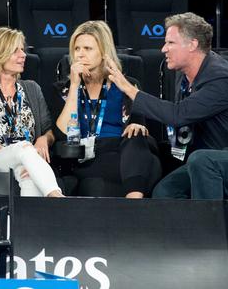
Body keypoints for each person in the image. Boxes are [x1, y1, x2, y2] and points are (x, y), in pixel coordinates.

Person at [106, 12, 228, 248]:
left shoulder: (220, 77)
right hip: (211, 161)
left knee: (202, 160)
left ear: (192, 45)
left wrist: (128, 88)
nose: (163, 49)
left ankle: (211, 245)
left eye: (170, 42)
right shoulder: (186, 78)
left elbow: (178, 115)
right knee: (165, 193)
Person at [54, 21, 160, 198]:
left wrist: (136, 127)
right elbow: (63, 135)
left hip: (123, 155)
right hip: (85, 159)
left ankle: (133, 201)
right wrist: (74, 85)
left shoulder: (128, 86)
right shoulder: (64, 90)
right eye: (77, 49)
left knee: (136, 138)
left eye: (88, 49)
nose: (80, 54)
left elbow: (138, 126)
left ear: (103, 52)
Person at [0, 27, 63, 197]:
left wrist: (44, 138)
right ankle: (57, 197)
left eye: (22, 50)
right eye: (15, 51)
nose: (23, 55)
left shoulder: (32, 88)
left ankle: (27, 223)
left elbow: (49, 130)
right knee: (23, 147)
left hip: (27, 160)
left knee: (28, 175)